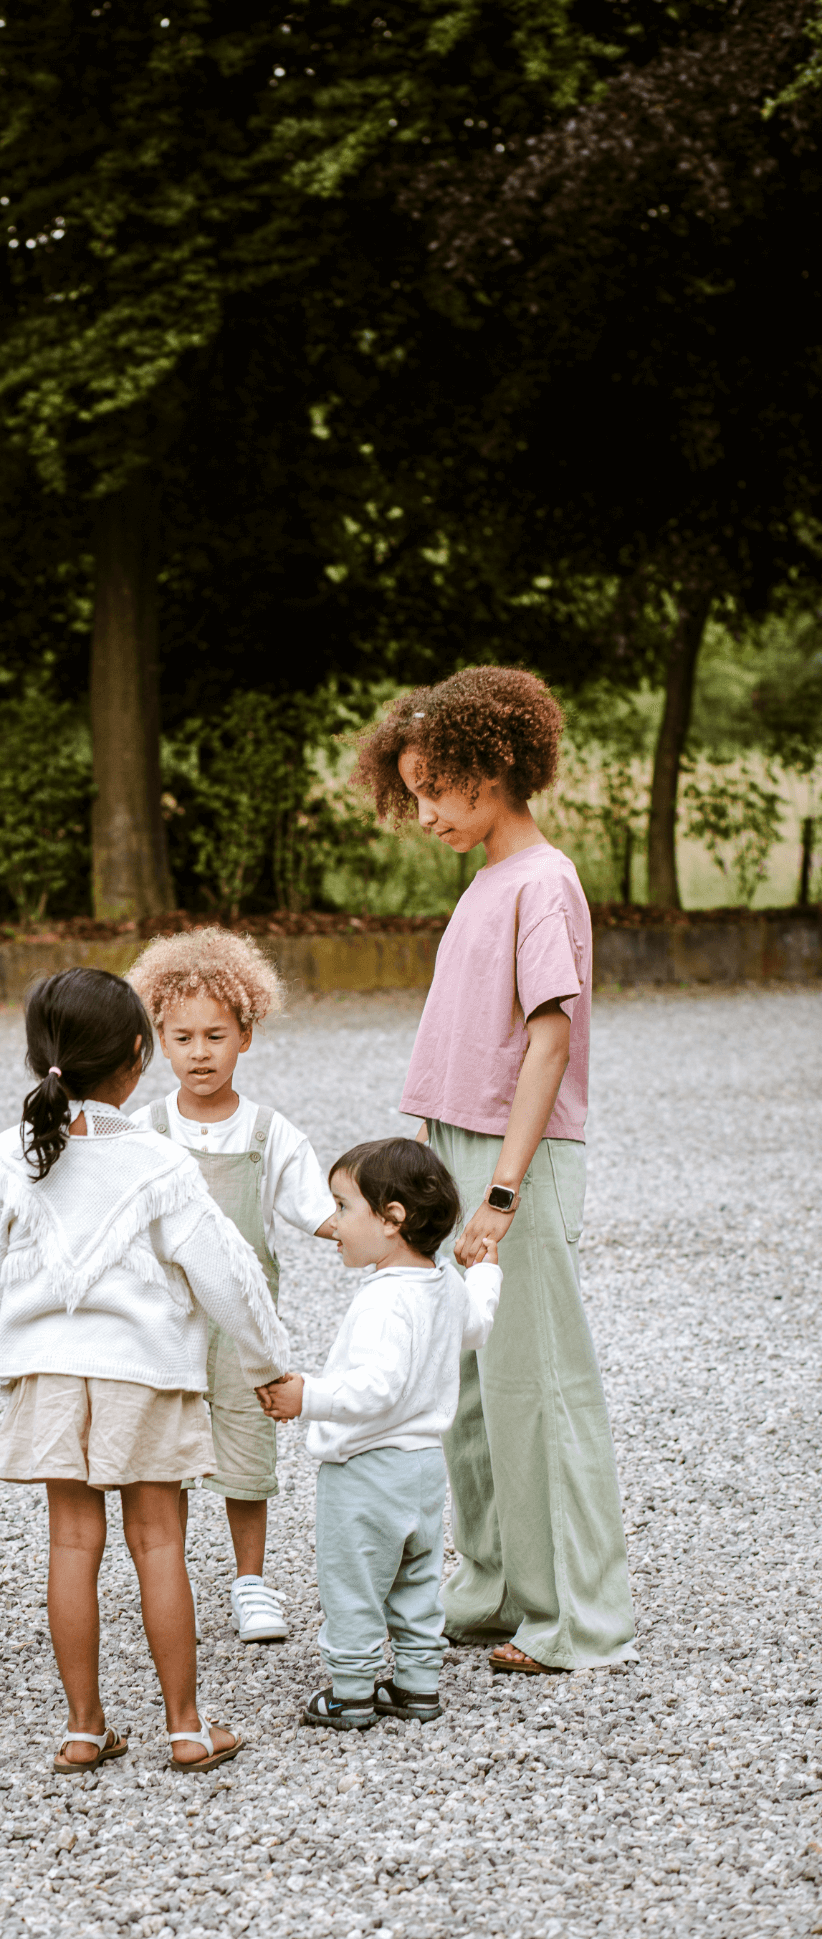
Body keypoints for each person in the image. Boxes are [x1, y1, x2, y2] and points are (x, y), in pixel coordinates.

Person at [0, 967, 291, 1773]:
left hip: (49, 1376)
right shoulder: (159, 1163)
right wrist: (270, 1365)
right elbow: (227, 1276)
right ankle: (186, 1728)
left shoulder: (11, 1157)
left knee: (71, 1544)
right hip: (144, 1377)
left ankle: (84, 1729)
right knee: (159, 1545)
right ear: (139, 1058)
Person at [354, 665, 636, 1675]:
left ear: (496, 767)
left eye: (438, 788)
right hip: (456, 1148)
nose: (423, 811)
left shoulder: (542, 882)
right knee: (470, 1389)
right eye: (413, 791)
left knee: (538, 1383)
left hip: (516, 1158)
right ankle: (496, 1593)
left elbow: (548, 1042)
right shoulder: (486, 884)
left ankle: (579, 1623)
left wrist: (503, 1192)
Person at [126, 928, 334, 1645]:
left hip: (243, 1329)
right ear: (159, 1038)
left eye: (216, 1035)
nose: (200, 1052)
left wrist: (379, 1231)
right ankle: (170, 1579)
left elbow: (317, 1212)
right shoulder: (141, 1130)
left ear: (247, 1034)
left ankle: (251, 1580)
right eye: (181, 1037)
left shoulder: (270, 1133)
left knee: (248, 1451)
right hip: (165, 1327)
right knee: (169, 1450)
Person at [259, 1138, 502, 1728]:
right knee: (417, 1580)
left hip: (367, 1472)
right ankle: (418, 1685)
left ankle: (350, 1692)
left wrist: (306, 1397)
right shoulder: (444, 1284)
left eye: (343, 1207)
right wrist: (487, 1271)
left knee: (354, 1584)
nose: (333, 1223)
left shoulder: (385, 1300)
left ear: (392, 1220)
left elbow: (377, 1389)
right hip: (422, 1469)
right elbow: (477, 1326)